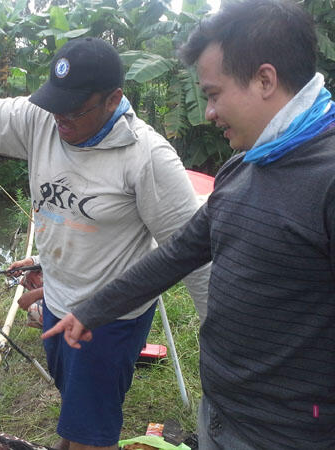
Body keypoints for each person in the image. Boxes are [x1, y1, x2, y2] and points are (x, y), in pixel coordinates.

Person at [0, 37, 209, 450]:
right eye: (54, 105)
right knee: (76, 415)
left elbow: (196, 254)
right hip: (58, 305)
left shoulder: (148, 158)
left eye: (75, 110)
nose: (60, 119)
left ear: (113, 98)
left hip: (109, 322)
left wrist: (223, 349)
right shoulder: (44, 119)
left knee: (91, 435)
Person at [42, 1, 335, 449]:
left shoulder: (327, 179)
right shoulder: (244, 168)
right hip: (222, 412)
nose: (208, 113)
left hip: (292, 433)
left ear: (265, 80)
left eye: (214, 94)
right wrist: (93, 310)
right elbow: (180, 253)